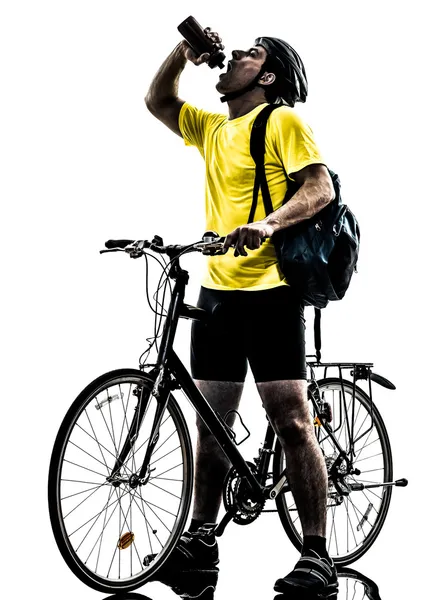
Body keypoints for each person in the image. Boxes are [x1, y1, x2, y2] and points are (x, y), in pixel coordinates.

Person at [144, 28, 338, 596]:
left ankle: (317, 555)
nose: (234, 56)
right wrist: (186, 52)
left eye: (250, 52)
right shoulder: (214, 127)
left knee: (292, 420)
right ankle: (202, 544)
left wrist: (269, 223)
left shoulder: (280, 122)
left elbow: (319, 187)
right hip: (219, 292)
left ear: (269, 75)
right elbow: (159, 101)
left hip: (272, 290)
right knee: (212, 426)